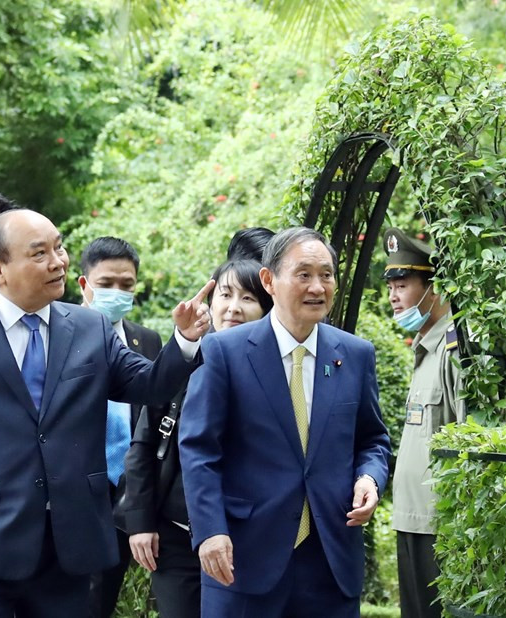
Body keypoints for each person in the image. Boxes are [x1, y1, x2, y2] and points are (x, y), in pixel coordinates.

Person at [0, 209, 213, 617]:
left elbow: (150, 385)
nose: (58, 261)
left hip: (68, 550)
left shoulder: (90, 328)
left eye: (59, 248)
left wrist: (183, 340)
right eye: (40, 253)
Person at [179, 227, 391, 617]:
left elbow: (372, 439)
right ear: (268, 280)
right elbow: (198, 448)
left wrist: (369, 478)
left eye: (326, 275)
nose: (317, 286)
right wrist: (210, 530)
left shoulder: (355, 354)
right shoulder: (224, 351)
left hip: (330, 558)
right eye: (304, 274)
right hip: (243, 557)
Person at [126, 259, 273, 618]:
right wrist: (140, 522)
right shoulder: (187, 356)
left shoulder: (275, 370)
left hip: (244, 537)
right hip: (177, 534)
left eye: (248, 298)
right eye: (225, 294)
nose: (234, 307)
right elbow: (144, 444)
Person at [76, 236, 163, 618]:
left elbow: (153, 417)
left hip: (124, 492)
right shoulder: (59, 333)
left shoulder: (146, 340)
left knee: (102, 601)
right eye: (106, 284)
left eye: (126, 285)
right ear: (84, 284)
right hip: (73, 492)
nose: (117, 292)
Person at [382, 227, 464, 618]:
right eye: (391, 286)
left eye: (402, 284)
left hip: (440, 528)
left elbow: (471, 445)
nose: (393, 296)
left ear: (434, 288)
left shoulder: (453, 350)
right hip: (411, 520)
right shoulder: (425, 349)